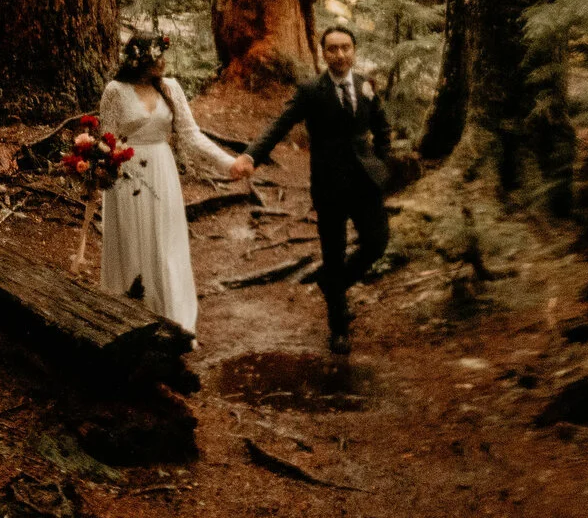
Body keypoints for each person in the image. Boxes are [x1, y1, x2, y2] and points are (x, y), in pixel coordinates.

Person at [241, 25, 392, 355]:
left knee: (377, 243)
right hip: (329, 184)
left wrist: (383, 163)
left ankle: (331, 284)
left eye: (346, 47)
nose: (340, 54)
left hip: (366, 182)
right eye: (333, 49)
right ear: (323, 54)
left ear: (354, 50)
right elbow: (280, 124)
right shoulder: (311, 90)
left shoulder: (365, 84)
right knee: (333, 253)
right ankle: (338, 327)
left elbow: (381, 126)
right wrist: (252, 155)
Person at [95, 33, 244, 335]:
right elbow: (105, 140)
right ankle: (130, 319)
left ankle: (173, 319)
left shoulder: (171, 88)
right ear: (140, 61)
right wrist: (98, 169)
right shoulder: (115, 91)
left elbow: (190, 136)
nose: (163, 61)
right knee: (132, 242)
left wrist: (228, 163)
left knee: (166, 245)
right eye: (157, 56)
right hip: (126, 176)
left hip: (162, 172)